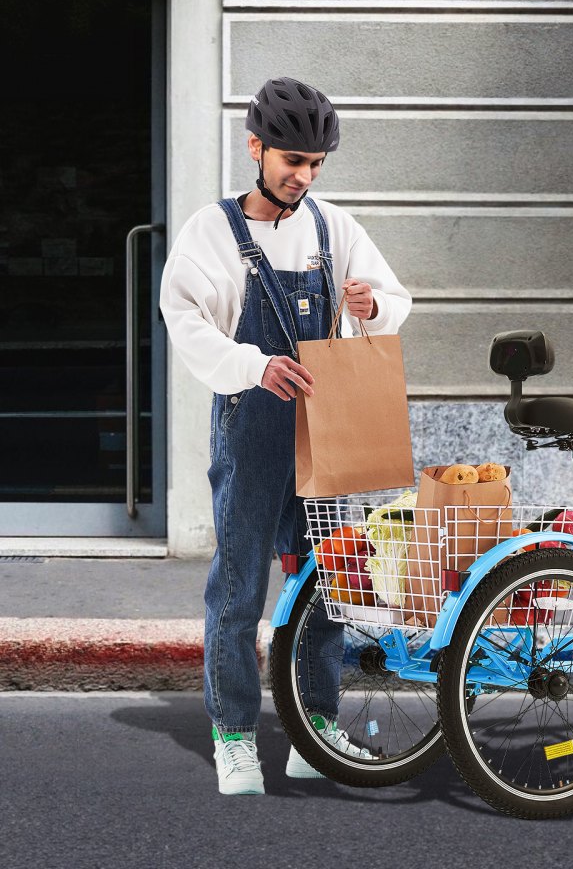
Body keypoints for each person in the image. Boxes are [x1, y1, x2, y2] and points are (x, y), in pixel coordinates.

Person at [159, 77, 411, 795]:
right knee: (240, 590)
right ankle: (234, 735)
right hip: (254, 424)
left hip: (329, 426)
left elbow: (395, 301)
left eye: (316, 165)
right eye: (292, 161)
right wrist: (250, 365)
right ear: (256, 148)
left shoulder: (334, 226)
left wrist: (372, 305)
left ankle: (315, 730)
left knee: (330, 580)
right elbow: (184, 321)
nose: (303, 177)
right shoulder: (210, 232)